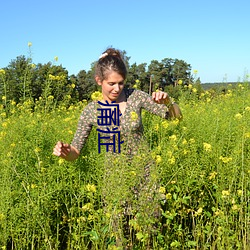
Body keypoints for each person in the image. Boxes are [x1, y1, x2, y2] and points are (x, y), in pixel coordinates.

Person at [53, 47, 182, 247]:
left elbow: (175, 118)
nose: (117, 88)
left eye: (121, 83)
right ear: (99, 81)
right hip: (115, 182)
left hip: (145, 177)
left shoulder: (135, 97)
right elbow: (76, 151)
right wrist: (65, 152)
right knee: (120, 239)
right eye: (111, 83)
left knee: (150, 236)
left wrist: (169, 102)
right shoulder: (91, 111)